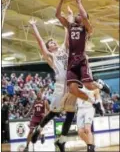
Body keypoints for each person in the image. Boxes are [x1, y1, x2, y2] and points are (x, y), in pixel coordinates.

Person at [28, 18, 90, 149]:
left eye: (53, 41)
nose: (53, 42)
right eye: (50, 43)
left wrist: (66, 25)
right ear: (49, 47)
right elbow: (40, 43)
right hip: (60, 85)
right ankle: (39, 128)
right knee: (53, 113)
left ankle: (61, 141)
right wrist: (34, 27)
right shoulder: (50, 56)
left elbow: (68, 37)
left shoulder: (63, 49)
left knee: (70, 114)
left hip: (70, 84)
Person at [56, 0, 103, 112]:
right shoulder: (70, 26)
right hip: (71, 61)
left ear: (84, 18)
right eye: (77, 14)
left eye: (80, 15)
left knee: (88, 85)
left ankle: (101, 85)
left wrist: (78, 2)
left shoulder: (87, 28)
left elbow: (84, 16)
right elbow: (57, 15)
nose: (78, 15)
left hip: (81, 58)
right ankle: (94, 103)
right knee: (73, 90)